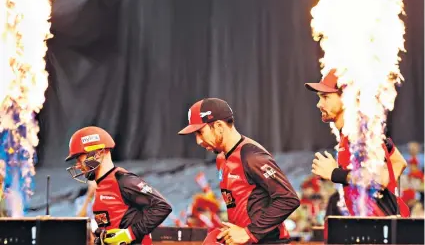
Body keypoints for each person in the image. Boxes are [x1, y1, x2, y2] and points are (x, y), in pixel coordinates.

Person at [178, 98, 300, 244]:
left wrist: (250, 232)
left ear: (218, 126)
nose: (198, 141)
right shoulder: (221, 159)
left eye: (200, 132)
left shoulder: (251, 155)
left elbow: (288, 199)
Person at [305, 69, 409, 217]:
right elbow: (399, 162)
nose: (319, 104)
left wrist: (335, 173)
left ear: (346, 97)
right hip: (378, 224)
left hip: (384, 229)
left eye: (325, 97)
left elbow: (381, 179)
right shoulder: (355, 132)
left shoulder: (359, 134)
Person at [65, 126, 172, 245]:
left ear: (98, 153)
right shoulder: (100, 186)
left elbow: (162, 206)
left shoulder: (124, 180)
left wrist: (130, 234)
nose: (78, 165)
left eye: (80, 158)